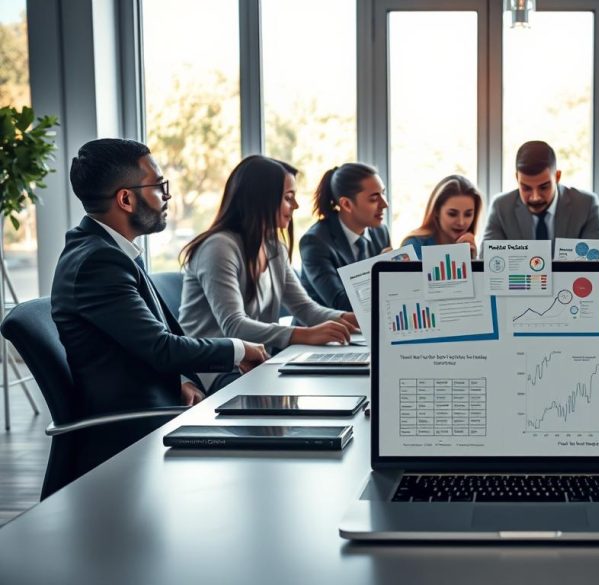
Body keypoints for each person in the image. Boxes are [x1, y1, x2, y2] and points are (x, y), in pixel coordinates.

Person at [51, 138, 268, 472]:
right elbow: (161, 348)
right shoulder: (99, 261)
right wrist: (240, 348)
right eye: (159, 185)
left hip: (159, 408)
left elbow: (128, 345)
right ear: (126, 198)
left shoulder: (104, 250)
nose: (167, 195)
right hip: (134, 437)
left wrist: (178, 380)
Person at [179, 156, 361, 392]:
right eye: (288, 198)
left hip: (257, 363)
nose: (295, 206)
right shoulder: (219, 247)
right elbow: (234, 325)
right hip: (216, 370)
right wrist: (304, 334)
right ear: (260, 199)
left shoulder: (273, 246)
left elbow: (305, 308)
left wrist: (351, 318)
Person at [299, 163, 391, 311]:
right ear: (346, 204)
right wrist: (379, 270)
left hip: (367, 327)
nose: (385, 204)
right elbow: (339, 302)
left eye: (383, 194)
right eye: (374, 199)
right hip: (325, 329)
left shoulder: (380, 231)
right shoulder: (315, 242)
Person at [482, 140, 599, 243]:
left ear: (557, 177)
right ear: (517, 178)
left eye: (544, 187)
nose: (535, 197)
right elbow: (487, 263)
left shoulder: (586, 206)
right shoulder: (501, 207)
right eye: (526, 188)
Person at [402, 174, 483, 258]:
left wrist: (474, 262)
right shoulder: (414, 246)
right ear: (436, 211)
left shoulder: (469, 247)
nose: (461, 222)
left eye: (468, 214)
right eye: (452, 214)